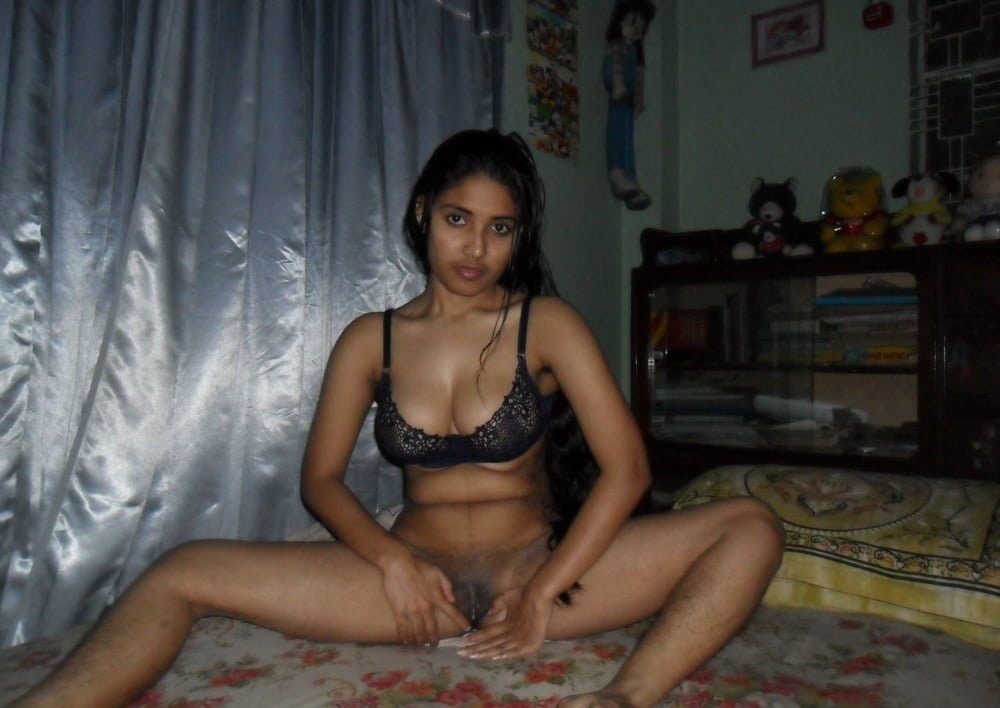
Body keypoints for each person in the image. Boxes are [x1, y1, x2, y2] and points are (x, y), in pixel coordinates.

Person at [12, 129, 783, 708]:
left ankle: (624, 697)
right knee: (180, 570)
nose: (476, 247)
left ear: (519, 237)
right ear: (423, 213)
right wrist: (391, 563)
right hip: (417, 584)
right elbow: (321, 481)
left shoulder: (546, 325)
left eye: (500, 228)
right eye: (458, 218)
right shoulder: (369, 341)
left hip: (534, 571)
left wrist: (544, 590)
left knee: (751, 526)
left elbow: (629, 470)